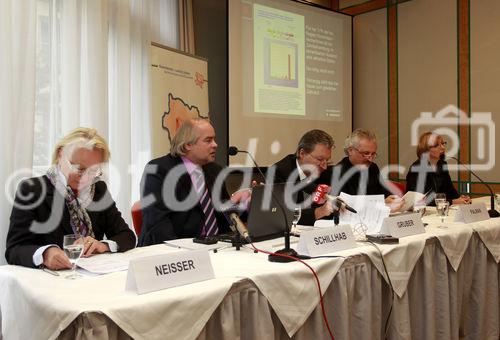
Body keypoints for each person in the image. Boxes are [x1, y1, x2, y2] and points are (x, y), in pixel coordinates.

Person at [6, 128, 136, 270]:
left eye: (93, 171)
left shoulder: (99, 189)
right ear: (61, 154)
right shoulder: (32, 190)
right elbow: (14, 249)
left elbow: (127, 236)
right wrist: (45, 253)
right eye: (79, 168)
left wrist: (102, 245)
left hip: (92, 277)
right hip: (52, 281)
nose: (85, 177)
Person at [139, 118, 239, 245]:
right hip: (173, 251)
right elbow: (157, 223)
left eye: (214, 139)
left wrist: (240, 203)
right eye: (208, 140)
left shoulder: (215, 170)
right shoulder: (158, 169)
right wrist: (183, 255)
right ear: (188, 145)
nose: (215, 144)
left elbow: (224, 216)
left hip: (214, 248)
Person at [272, 129, 335, 225]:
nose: (324, 166)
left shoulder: (325, 172)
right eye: (320, 159)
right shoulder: (279, 172)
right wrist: (318, 212)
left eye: (327, 160)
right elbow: (281, 215)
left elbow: (330, 211)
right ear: (302, 153)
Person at [332, 129, 404, 211]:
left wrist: (392, 199)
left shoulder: (373, 168)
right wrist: (382, 203)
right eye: (366, 153)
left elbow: (384, 194)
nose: (370, 159)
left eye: (373, 154)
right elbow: (347, 206)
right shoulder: (337, 172)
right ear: (350, 150)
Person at [405, 131, 470, 205]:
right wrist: (452, 202)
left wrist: (460, 198)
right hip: (420, 212)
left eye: (443, 143)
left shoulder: (442, 165)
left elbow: (450, 190)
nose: (443, 148)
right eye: (437, 145)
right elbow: (422, 200)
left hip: (438, 210)